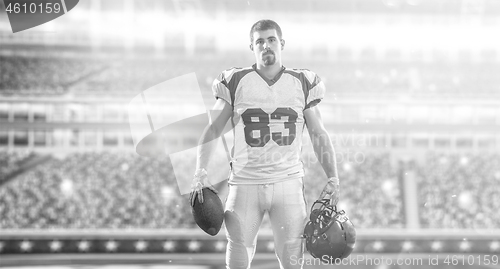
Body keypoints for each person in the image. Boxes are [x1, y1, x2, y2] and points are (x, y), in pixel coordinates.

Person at [190, 19, 340, 269]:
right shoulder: (236, 80)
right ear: (252, 46)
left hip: (288, 182)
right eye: (259, 41)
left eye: (271, 40)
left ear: (281, 43)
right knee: (238, 257)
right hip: (245, 182)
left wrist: (333, 177)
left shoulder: (302, 81)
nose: (266, 45)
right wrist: (200, 172)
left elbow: (318, 134)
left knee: (292, 259)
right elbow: (213, 128)